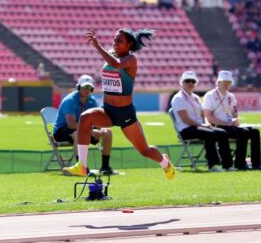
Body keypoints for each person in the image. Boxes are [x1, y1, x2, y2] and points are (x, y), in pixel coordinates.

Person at [63, 28, 175, 179]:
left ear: (129, 44)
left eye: (120, 41)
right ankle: (82, 166)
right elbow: (111, 63)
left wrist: (97, 46)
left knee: (145, 151)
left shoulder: (131, 60)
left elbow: (116, 64)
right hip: (108, 110)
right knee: (85, 118)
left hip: (125, 114)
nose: (115, 43)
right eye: (114, 40)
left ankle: (165, 163)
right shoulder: (111, 54)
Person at [171, 71, 234, 172]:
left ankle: (228, 165)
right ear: (182, 82)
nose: (190, 83)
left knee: (222, 133)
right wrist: (202, 125)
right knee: (210, 134)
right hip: (185, 129)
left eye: (193, 81)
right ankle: (212, 165)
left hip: (198, 127)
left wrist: (207, 123)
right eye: (187, 81)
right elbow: (185, 119)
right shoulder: (178, 98)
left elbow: (202, 114)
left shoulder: (195, 97)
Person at [53, 74, 115, 174]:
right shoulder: (70, 100)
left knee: (108, 132)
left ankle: (105, 167)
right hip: (62, 131)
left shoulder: (92, 100)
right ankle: (81, 167)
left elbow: (97, 120)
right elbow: (71, 125)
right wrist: (90, 131)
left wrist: (100, 130)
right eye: (84, 87)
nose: (87, 90)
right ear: (78, 87)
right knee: (78, 133)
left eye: (89, 87)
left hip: (84, 129)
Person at [203, 70, 261, 170]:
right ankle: (240, 163)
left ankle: (256, 164)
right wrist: (226, 123)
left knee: (254, 131)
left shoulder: (231, 96)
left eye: (229, 82)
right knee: (244, 132)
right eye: (224, 82)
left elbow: (235, 114)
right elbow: (208, 116)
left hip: (229, 125)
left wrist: (235, 120)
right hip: (217, 126)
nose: (227, 84)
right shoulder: (210, 95)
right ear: (218, 82)